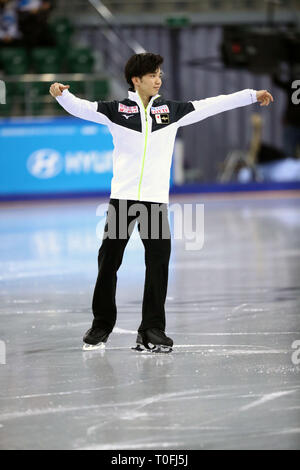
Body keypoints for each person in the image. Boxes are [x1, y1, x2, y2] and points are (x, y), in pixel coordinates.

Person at [49, 52, 274, 353]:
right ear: (136, 80)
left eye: (160, 75)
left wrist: (249, 95)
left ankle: (151, 330)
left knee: (158, 265)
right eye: (153, 75)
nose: (158, 80)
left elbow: (212, 104)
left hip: (155, 203)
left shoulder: (171, 111)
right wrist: (62, 95)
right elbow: (83, 108)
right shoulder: (116, 110)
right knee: (108, 263)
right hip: (122, 201)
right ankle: (101, 326)